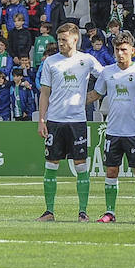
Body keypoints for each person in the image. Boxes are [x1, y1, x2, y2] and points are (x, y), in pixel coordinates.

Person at [35, 23, 102, 222]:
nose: (61, 43)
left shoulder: (86, 60)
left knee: (81, 166)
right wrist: (41, 119)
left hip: (77, 121)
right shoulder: (51, 62)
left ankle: (83, 212)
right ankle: (49, 211)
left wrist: (94, 95)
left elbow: (106, 76)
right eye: (59, 39)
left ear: (75, 39)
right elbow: (45, 92)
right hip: (55, 121)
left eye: (64, 39)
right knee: (51, 165)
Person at [93, 31, 135, 223]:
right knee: (111, 171)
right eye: (117, 50)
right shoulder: (107, 72)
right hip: (113, 130)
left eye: (124, 50)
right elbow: (96, 94)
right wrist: (75, 101)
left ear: (132, 51)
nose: (120, 53)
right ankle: (110, 212)